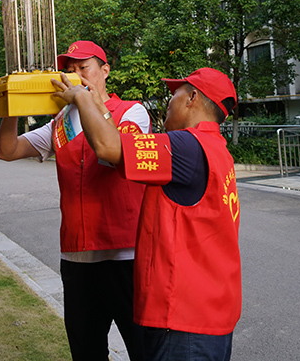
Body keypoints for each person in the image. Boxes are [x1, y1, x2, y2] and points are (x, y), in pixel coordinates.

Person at [52, 67, 242, 361]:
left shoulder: (184, 147)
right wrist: (100, 106)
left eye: (175, 93)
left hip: (182, 320)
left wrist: (81, 98)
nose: (169, 101)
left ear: (192, 97)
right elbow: (120, 154)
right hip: (208, 313)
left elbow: (108, 147)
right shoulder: (212, 148)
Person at [0, 41, 149, 361]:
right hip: (78, 258)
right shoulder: (60, 122)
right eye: (69, 70)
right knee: (86, 352)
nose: (75, 75)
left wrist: (89, 102)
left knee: (144, 348)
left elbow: (117, 154)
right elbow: (8, 151)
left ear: (105, 70)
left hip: (126, 255)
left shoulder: (131, 111)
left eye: (83, 68)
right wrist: (12, 104)